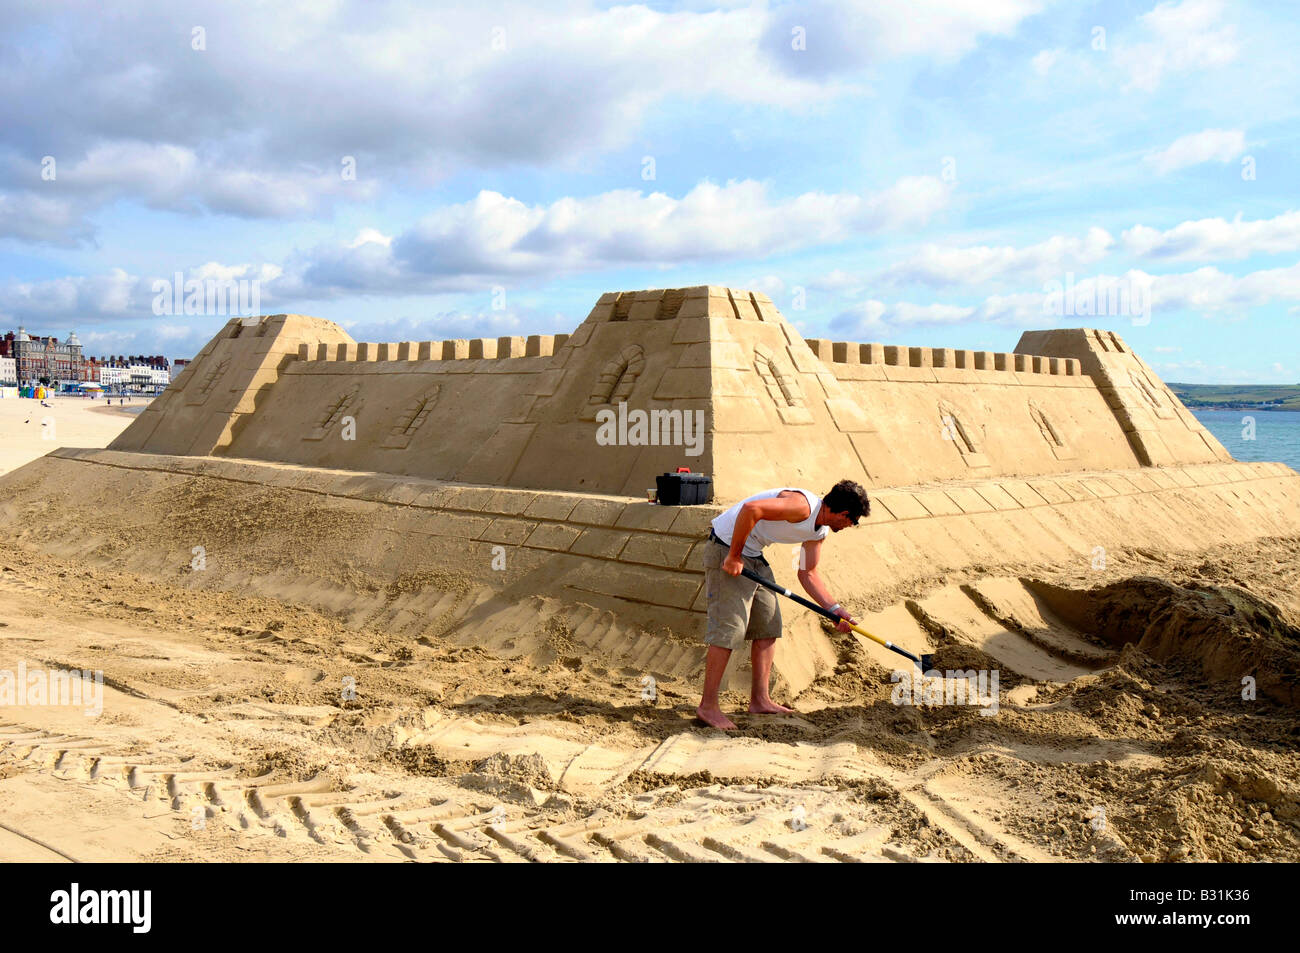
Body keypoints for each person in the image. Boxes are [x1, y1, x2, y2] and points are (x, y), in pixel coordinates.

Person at [696, 479, 870, 730]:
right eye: (852, 521)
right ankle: (708, 706)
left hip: (754, 555)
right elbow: (750, 510)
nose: (850, 525)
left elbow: (808, 573)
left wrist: (834, 610)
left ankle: (760, 699)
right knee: (729, 629)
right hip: (726, 546)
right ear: (844, 514)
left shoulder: (819, 531)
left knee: (768, 624)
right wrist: (733, 556)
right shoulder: (802, 507)